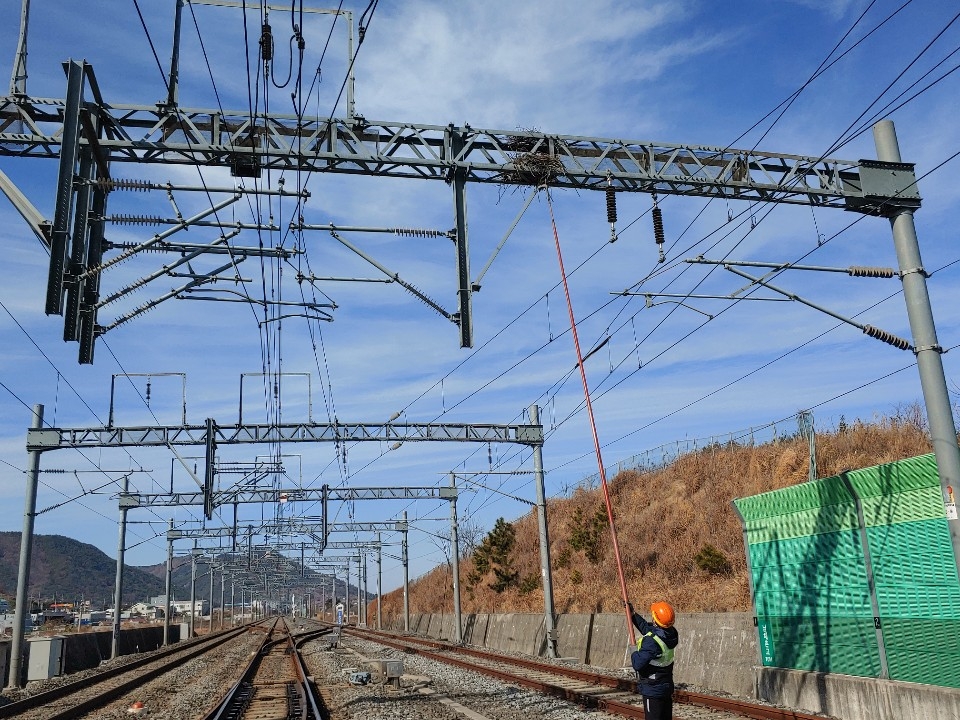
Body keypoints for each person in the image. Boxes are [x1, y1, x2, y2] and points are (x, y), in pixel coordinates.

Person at [628, 600, 679, 720]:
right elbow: (648, 629)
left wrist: (634, 650)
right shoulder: (671, 634)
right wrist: (633, 615)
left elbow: (637, 664)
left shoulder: (652, 642)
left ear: (656, 620)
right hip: (665, 686)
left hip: (653, 690)